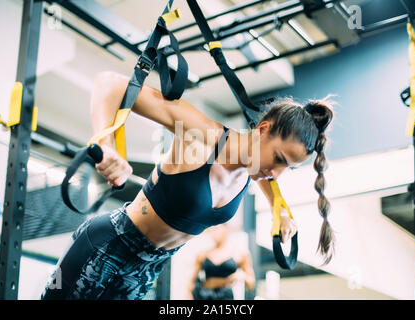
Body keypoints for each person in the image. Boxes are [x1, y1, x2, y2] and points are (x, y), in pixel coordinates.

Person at [41, 71, 335, 300]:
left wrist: (278, 211)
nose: (277, 174)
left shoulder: (255, 169)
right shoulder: (200, 136)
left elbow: (268, 180)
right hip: (108, 245)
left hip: (147, 268)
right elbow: (111, 85)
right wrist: (105, 145)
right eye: (279, 158)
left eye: (288, 167)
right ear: (262, 130)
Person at [187, 224, 255, 300]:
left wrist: (242, 276)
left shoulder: (240, 254)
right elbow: (191, 283)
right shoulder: (203, 255)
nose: (214, 233)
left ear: (226, 229)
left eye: (216, 229)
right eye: (212, 230)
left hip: (226, 297)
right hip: (205, 295)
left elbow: (251, 284)